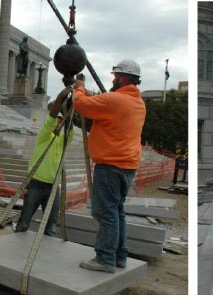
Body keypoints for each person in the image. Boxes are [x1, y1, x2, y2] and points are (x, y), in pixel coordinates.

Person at [72, 59, 146, 273]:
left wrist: (79, 89)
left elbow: (82, 105)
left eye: (115, 77)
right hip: (127, 166)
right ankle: (119, 256)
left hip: (111, 165)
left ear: (122, 78)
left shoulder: (115, 100)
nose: (113, 80)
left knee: (105, 213)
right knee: (117, 211)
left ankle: (105, 258)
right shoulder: (138, 103)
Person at [15, 88, 75, 237]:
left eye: (61, 122)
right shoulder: (44, 136)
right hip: (35, 184)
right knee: (24, 221)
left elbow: (70, 126)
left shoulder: (63, 142)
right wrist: (60, 98)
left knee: (52, 225)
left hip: (53, 187)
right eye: (57, 122)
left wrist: (72, 105)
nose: (58, 124)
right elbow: (51, 119)